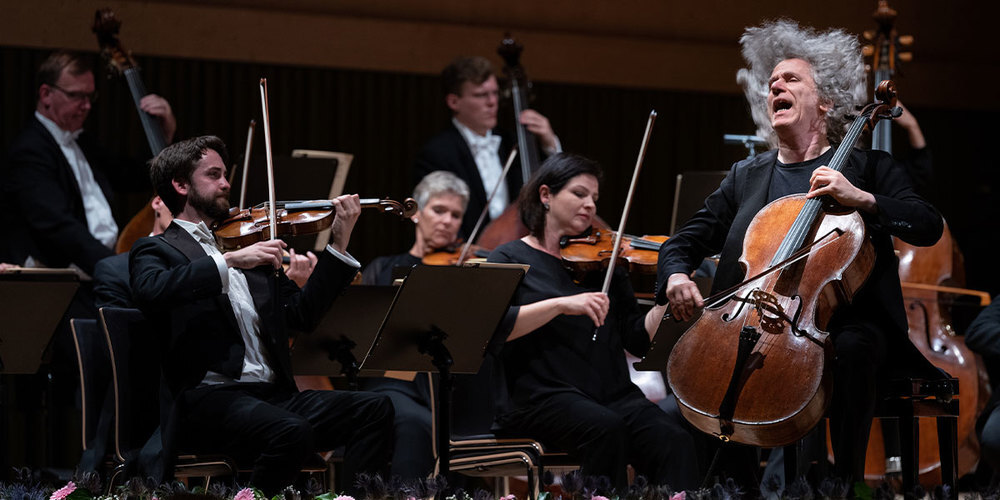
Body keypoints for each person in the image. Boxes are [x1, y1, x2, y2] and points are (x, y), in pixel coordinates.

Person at [657, 20, 944, 485]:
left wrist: (862, 199)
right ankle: (733, 489)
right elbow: (683, 242)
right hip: (753, 319)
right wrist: (675, 276)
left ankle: (842, 485)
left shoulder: (868, 167)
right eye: (771, 84)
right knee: (701, 370)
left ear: (825, 101)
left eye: (791, 79)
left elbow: (927, 224)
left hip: (848, 326)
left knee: (851, 347)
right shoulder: (747, 176)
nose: (776, 86)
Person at [129, 135, 393, 495]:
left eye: (225, 175)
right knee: (291, 431)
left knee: (376, 409)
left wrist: (338, 243)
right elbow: (151, 290)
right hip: (208, 399)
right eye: (214, 175)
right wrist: (227, 262)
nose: (226, 184)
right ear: (180, 185)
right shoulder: (157, 249)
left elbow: (301, 317)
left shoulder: (246, 243)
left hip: (271, 396)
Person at [487, 153, 699, 491]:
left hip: (612, 395)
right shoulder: (510, 258)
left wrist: (665, 303)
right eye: (579, 194)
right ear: (546, 195)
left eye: (594, 198)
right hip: (541, 397)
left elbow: (635, 338)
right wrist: (560, 305)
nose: (589, 205)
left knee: (673, 440)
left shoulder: (605, 263)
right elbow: (494, 328)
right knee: (605, 428)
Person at [357, 170, 470, 481]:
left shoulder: (466, 270)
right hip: (395, 383)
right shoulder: (383, 268)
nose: (448, 221)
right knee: (415, 423)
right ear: (417, 213)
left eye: (456, 214)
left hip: (450, 386)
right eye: (439, 210)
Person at [414, 56, 561, 239]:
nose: (492, 102)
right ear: (454, 102)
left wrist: (549, 144)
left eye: (495, 93)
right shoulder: (437, 153)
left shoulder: (514, 143)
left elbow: (556, 188)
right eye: (481, 95)